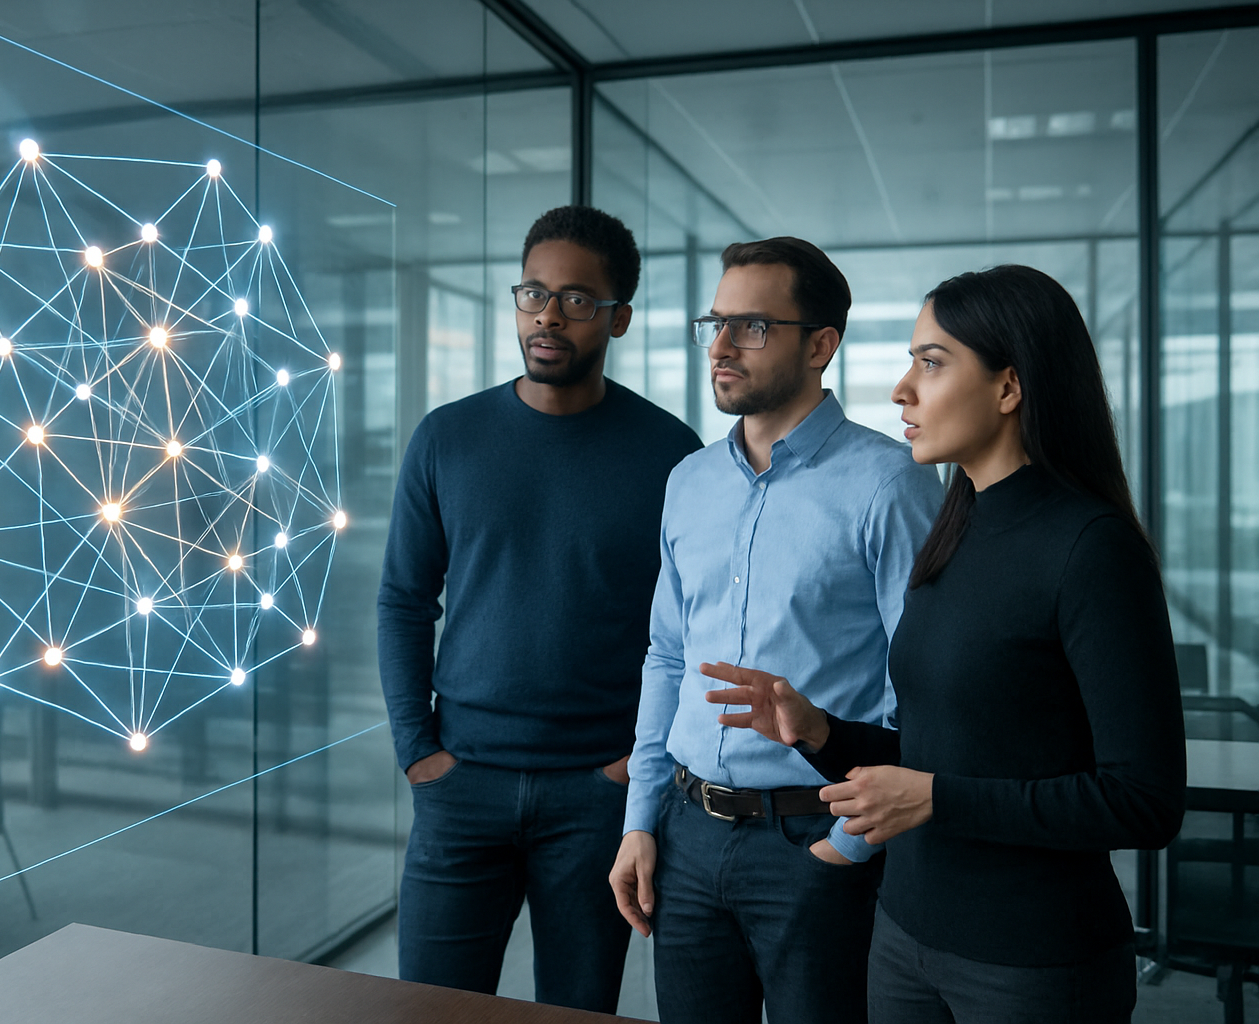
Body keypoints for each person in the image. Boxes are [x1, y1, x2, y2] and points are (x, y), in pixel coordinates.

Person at [703, 264, 1186, 1024]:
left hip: (1031, 960)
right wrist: (822, 732)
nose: (903, 388)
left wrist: (935, 798)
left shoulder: (1092, 548)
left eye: (931, 362)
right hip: (904, 937)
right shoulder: (955, 526)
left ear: (1009, 387)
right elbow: (940, 752)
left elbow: (1143, 802)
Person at [609, 237, 944, 1024]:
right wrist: (641, 822)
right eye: (715, 322)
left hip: (816, 841)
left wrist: (850, 848)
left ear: (821, 345)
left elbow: (927, 687)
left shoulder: (888, 483)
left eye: (752, 326)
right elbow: (667, 656)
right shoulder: (688, 482)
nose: (721, 347)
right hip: (686, 836)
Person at [377, 205, 702, 1013]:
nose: (549, 315)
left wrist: (638, 769)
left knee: (575, 1009)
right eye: (534, 293)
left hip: (597, 795)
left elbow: (696, 627)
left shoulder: (670, 455)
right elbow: (403, 599)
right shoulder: (447, 438)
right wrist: (419, 750)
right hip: (460, 785)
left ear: (618, 317)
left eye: (577, 299)